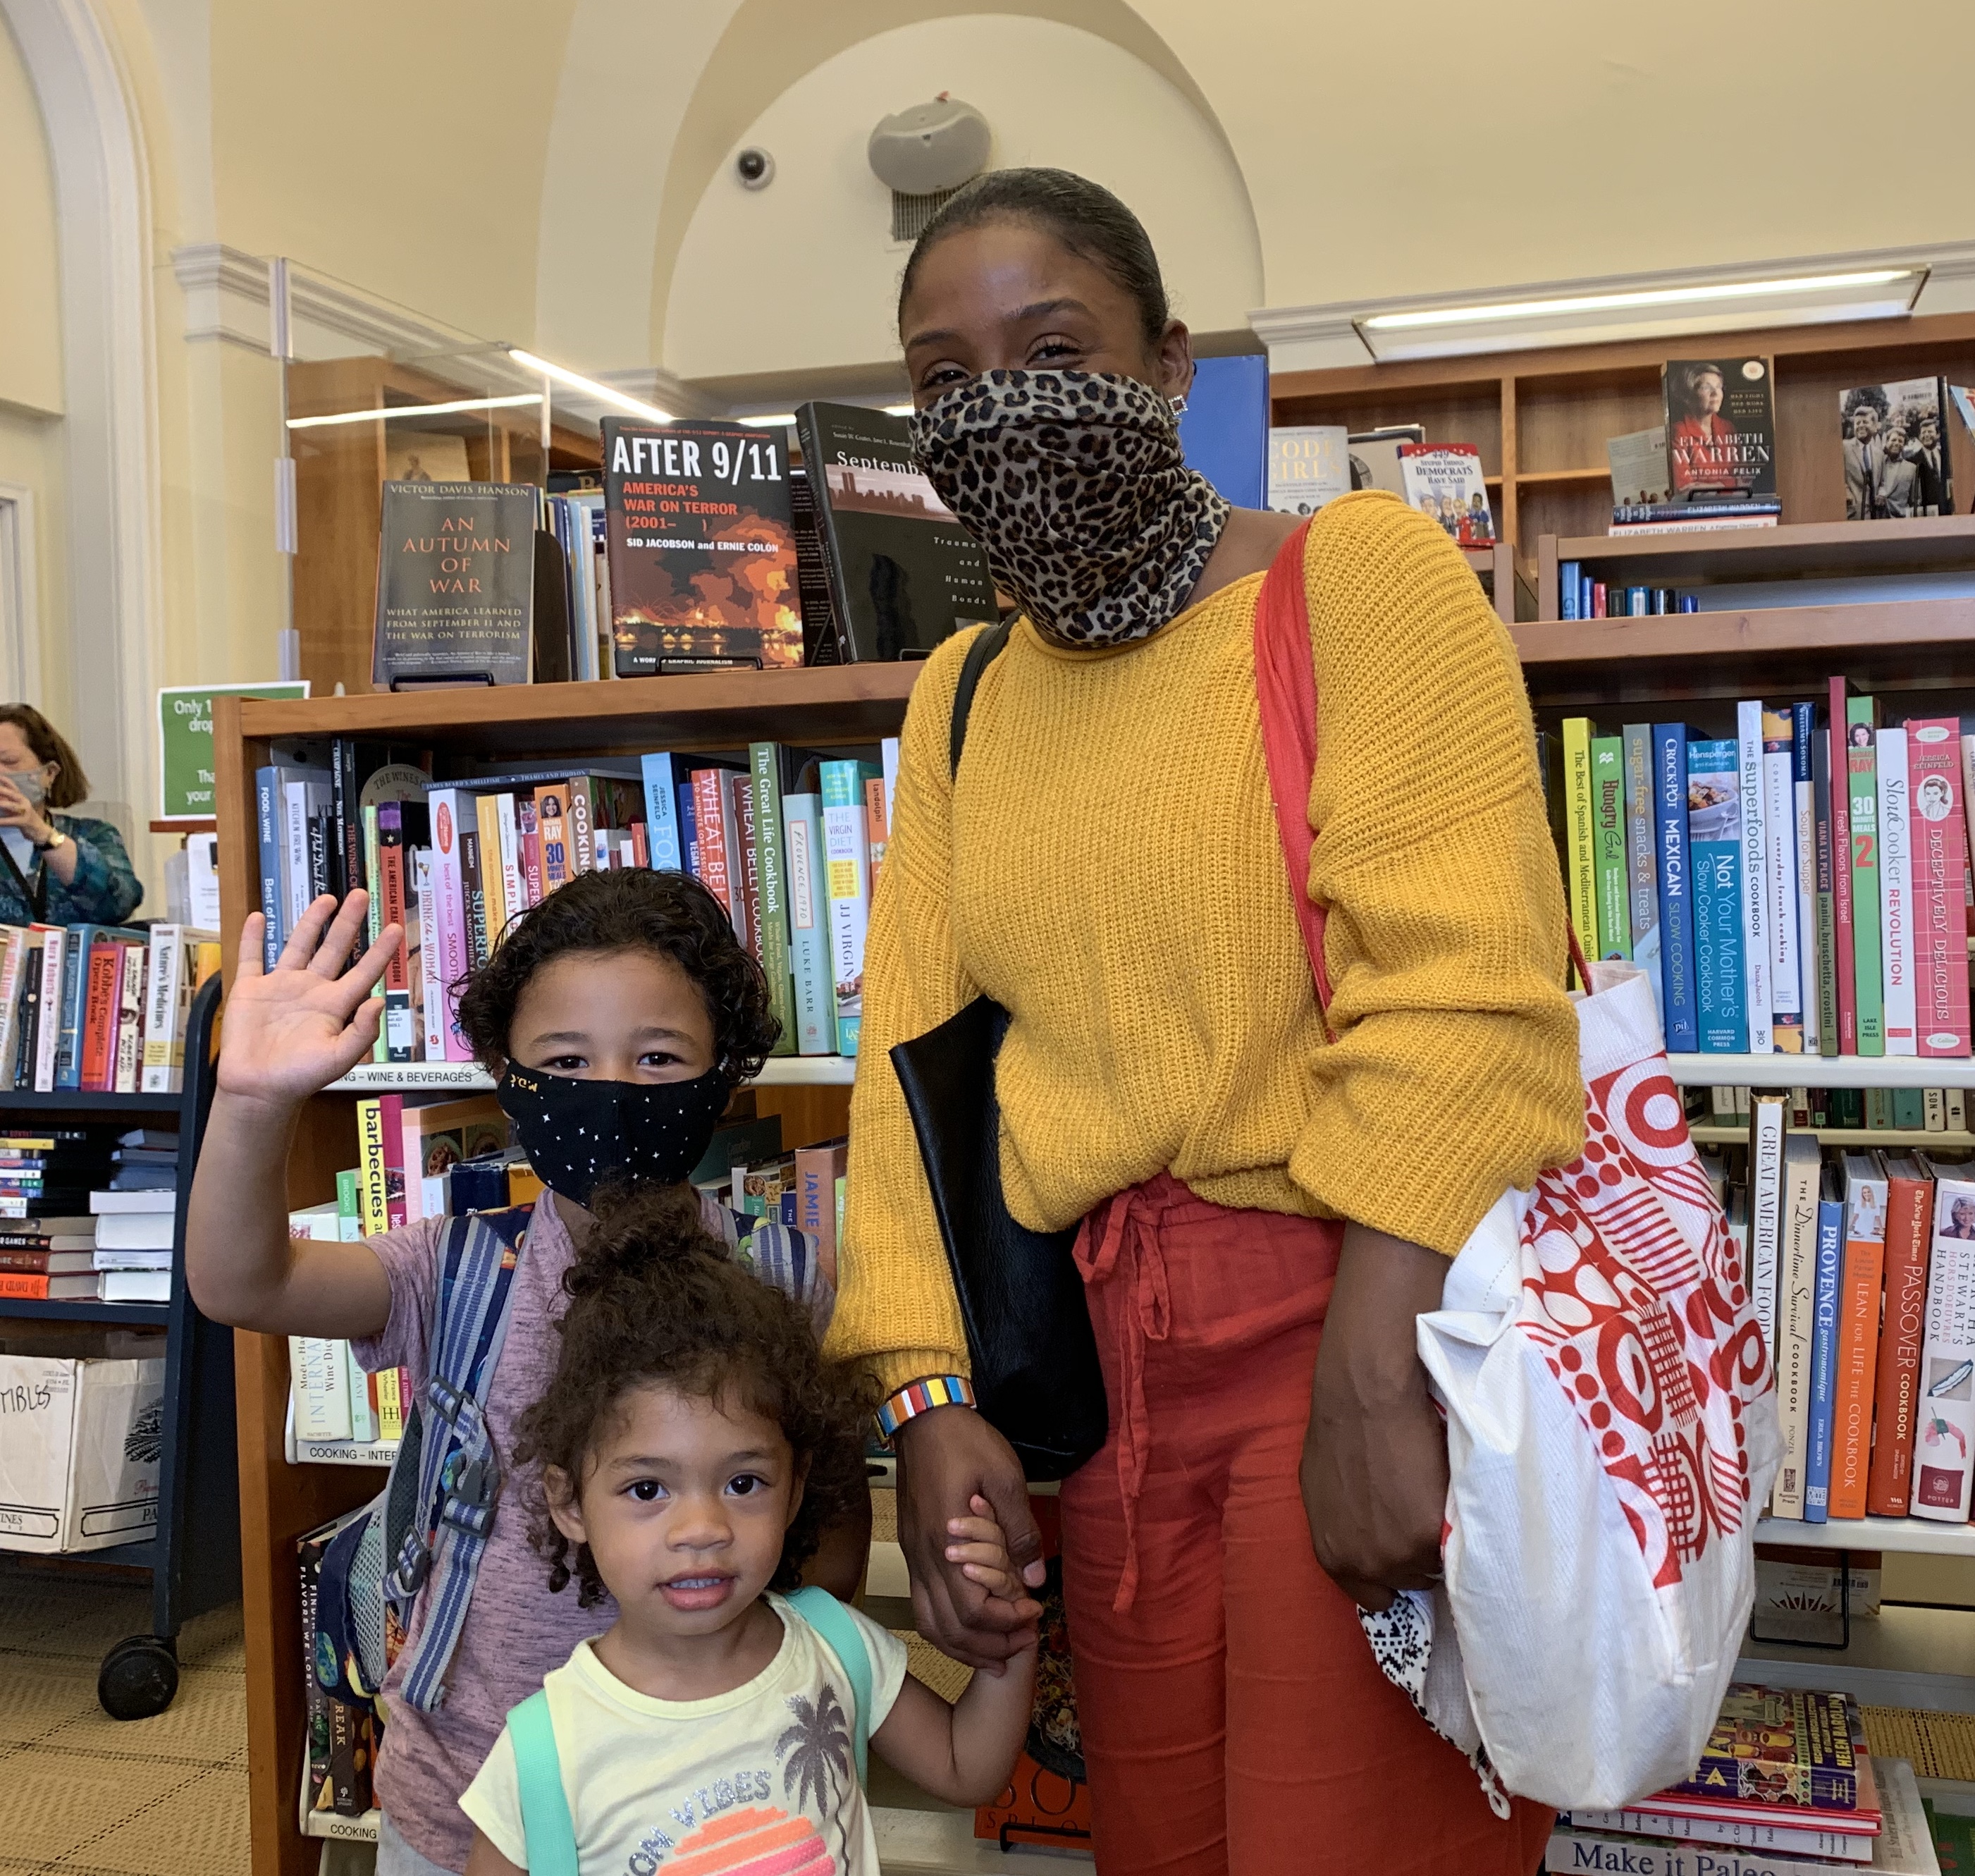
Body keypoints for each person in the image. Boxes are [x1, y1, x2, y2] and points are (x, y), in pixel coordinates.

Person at [832, 168, 1580, 1875]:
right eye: (944, 380)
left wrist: (1369, 1371)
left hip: (1351, 1307)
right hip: (1099, 1376)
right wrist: (926, 1392)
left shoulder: (1359, 581)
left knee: (1359, 1840)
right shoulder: (960, 697)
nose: (998, 406)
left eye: (1053, 346)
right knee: (1160, 1837)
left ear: (1171, 369)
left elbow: (1467, 984)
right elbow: (912, 1078)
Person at [185, 869, 866, 1876]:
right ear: (509, 1075)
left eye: (658, 1055)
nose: (614, 1090)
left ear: (724, 1072)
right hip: (462, 1790)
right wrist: (249, 1103)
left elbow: (834, 1532)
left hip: (711, 1797)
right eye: (567, 1058)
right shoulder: (451, 1267)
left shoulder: (789, 1280)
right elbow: (242, 1281)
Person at [456, 1189, 1037, 1875]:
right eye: (648, 1489)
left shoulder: (835, 1645)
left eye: (742, 1484)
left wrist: (1012, 1633)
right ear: (570, 1504)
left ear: (796, 1487)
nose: (702, 1528)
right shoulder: (543, 1751)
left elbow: (967, 1767)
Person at [0, 704, 142, 924]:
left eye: (9, 762)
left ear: (49, 773)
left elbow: (120, 903)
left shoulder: (94, 834)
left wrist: (43, 834)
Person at [1843, 393, 1885, 520]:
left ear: (1875, 426)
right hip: (1852, 514)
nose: (1861, 425)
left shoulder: (1879, 454)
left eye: (1865, 422)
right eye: (1857, 423)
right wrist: (1845, 492)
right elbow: (1833, 476)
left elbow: (1882, 482)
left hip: (1875, 515)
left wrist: (1882, 494)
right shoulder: (1844, 447)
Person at [1876, 421, 1922, 518]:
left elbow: (1916, 500)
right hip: (1878, 517)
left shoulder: (1911, 468)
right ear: (1887, 442)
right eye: (1893, 440)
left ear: (1904, 446)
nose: (1897, 443)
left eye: (1900, 441)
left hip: (1901, 519)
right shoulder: (1878, 463)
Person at [1913, 411, 1952, 515]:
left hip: (1947, 510)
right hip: (1925, 512)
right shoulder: (1913, 459)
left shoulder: (1947, 455)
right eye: (1923, 433)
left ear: (1938, 434)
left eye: (1930, 432)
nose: (1926, 435)